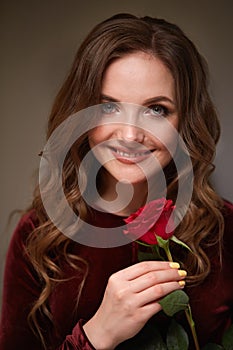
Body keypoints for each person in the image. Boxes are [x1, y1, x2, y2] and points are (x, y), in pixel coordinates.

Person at [0, 13, 232, 350]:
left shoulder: (226, 230)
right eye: (109, 107)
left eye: (156, 109)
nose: (129, 135)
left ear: (186, 121)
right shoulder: (38, 237)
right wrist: (97, 335)